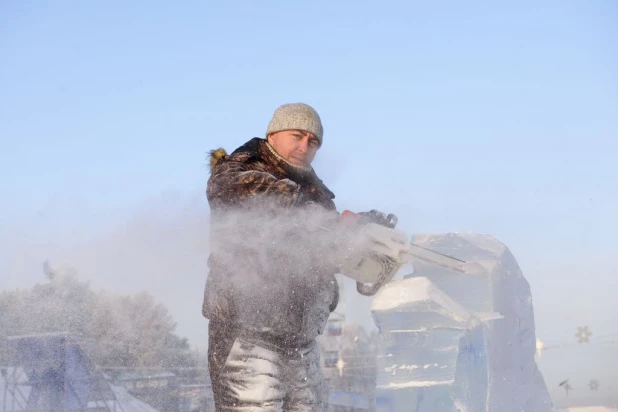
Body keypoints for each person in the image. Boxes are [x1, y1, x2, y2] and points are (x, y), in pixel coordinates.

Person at [202, 103, 383, 411]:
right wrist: (315, 214)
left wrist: (362, 243)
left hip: (302, 339)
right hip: (248, 334)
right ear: (273, 134)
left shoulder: (316, 193)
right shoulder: (240, 170)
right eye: (297, 136)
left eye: (313, 142)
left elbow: (324, 250)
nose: (304, 146)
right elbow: (231, 191)